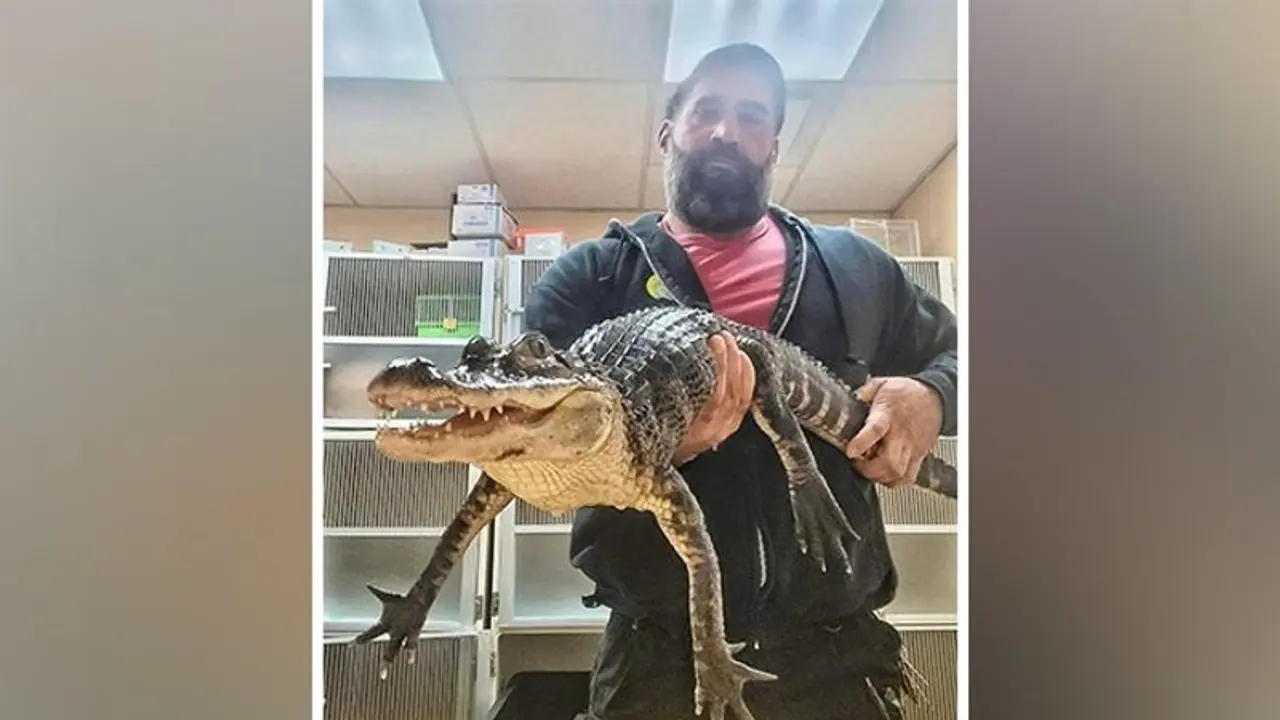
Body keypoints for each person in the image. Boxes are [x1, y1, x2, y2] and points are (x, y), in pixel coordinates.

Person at [522, 42, 958, 720]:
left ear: (773, 145)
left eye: (753, 116)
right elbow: (533, 449)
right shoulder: (589, 280)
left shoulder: (857, 269)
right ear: (668, 135)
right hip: (657, 664)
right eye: (709, 111)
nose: (728, 131)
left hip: (836, 664)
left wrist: (933, 396)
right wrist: (658, 446)